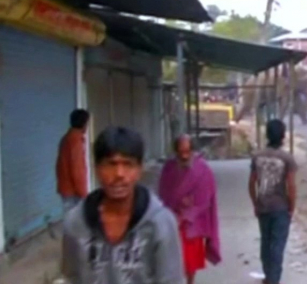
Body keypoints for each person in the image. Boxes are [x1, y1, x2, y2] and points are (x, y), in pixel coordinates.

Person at [62, 127, 184, 284]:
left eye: (128, 164)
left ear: (140, 170)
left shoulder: (161, 223)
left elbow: (171, 280)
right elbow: (72, 277)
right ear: (97, 169)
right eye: (111, 164)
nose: (119, 174)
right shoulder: (76, 223)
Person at [159, 134, 222, 284]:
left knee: (190, 263)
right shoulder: (168, 169)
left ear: (193, 150)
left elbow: (205, 199)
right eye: (181, 152)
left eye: (187, 152)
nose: (184, 156)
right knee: (171, 261)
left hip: (192, 224)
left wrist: (187, 213)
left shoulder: (203, 170)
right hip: (172, 221)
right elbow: (163, 193)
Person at [249, 119, 297, 284]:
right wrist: (291, 207)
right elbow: (291, 185)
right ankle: (273, 280)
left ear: (267, 134)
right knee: (277, 246)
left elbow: (251, 182)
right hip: (281, 208)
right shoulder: (287, 158)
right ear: (283, 136)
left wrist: (255, 203)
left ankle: (268, 277)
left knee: (266, 243)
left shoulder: (257, 156)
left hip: (263, 207)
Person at [56, 109, 90, 213]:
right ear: (83, 124)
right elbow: (77, 170)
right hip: (74, 191)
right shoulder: (76, 141)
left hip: (66, 188)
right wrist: (84, 193)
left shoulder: (66, 138)